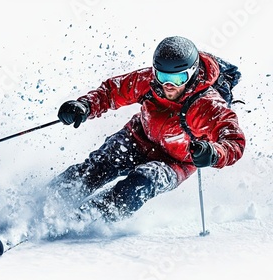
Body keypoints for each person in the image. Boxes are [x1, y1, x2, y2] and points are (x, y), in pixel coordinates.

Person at [52, 36, 246, 222]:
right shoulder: (149, 82)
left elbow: (233, 140)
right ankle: (49, 199)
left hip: (174, 162)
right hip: (137, 137)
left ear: (193, 73)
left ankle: (85, 220)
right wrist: (85, 106)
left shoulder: (207, 104)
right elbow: (112, 91)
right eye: (162, 76)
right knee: (99, 166)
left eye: (178, 78)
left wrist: (213, 153)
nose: (168, 85)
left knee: (139, 184)